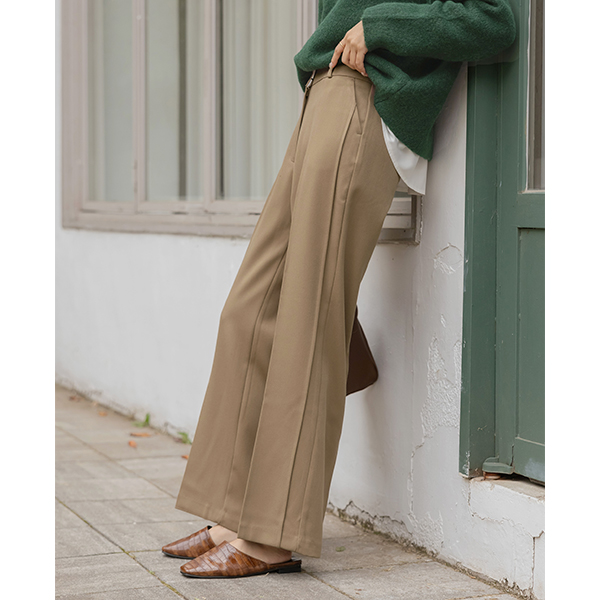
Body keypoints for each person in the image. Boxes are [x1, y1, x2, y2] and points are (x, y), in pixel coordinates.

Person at [162, 0, 516, 579]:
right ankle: (233, 513)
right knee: (248, 310)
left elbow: (489, 19)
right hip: (323, 97)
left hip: (365, 101)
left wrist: (381, 28)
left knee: (306, 318)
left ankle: (272, 536)